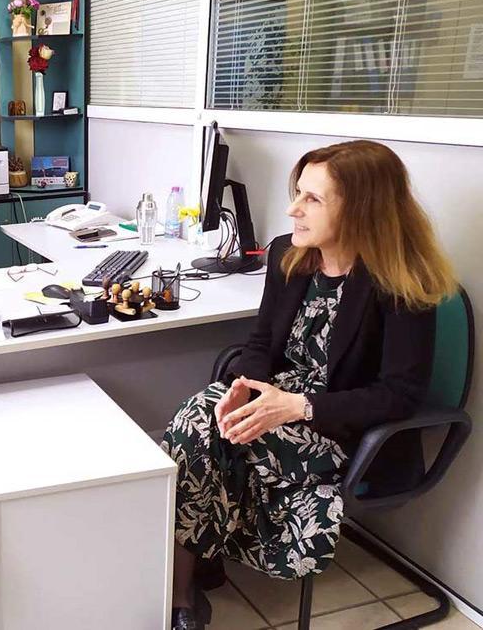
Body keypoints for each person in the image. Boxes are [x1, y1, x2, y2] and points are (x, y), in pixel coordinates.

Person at [160, 140, 457, 629]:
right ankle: (185, 576)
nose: (292, 209)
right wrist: (246, 387)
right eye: (298, 193)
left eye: (313, 199)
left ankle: (182, 585)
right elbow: (260, 342)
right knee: (206, 418)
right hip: (279, 399)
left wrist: (298, 407)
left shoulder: (403, 281)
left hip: (342, 425)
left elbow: (400, 395)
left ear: (362, 209)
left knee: (205, 434)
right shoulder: (290, 253)